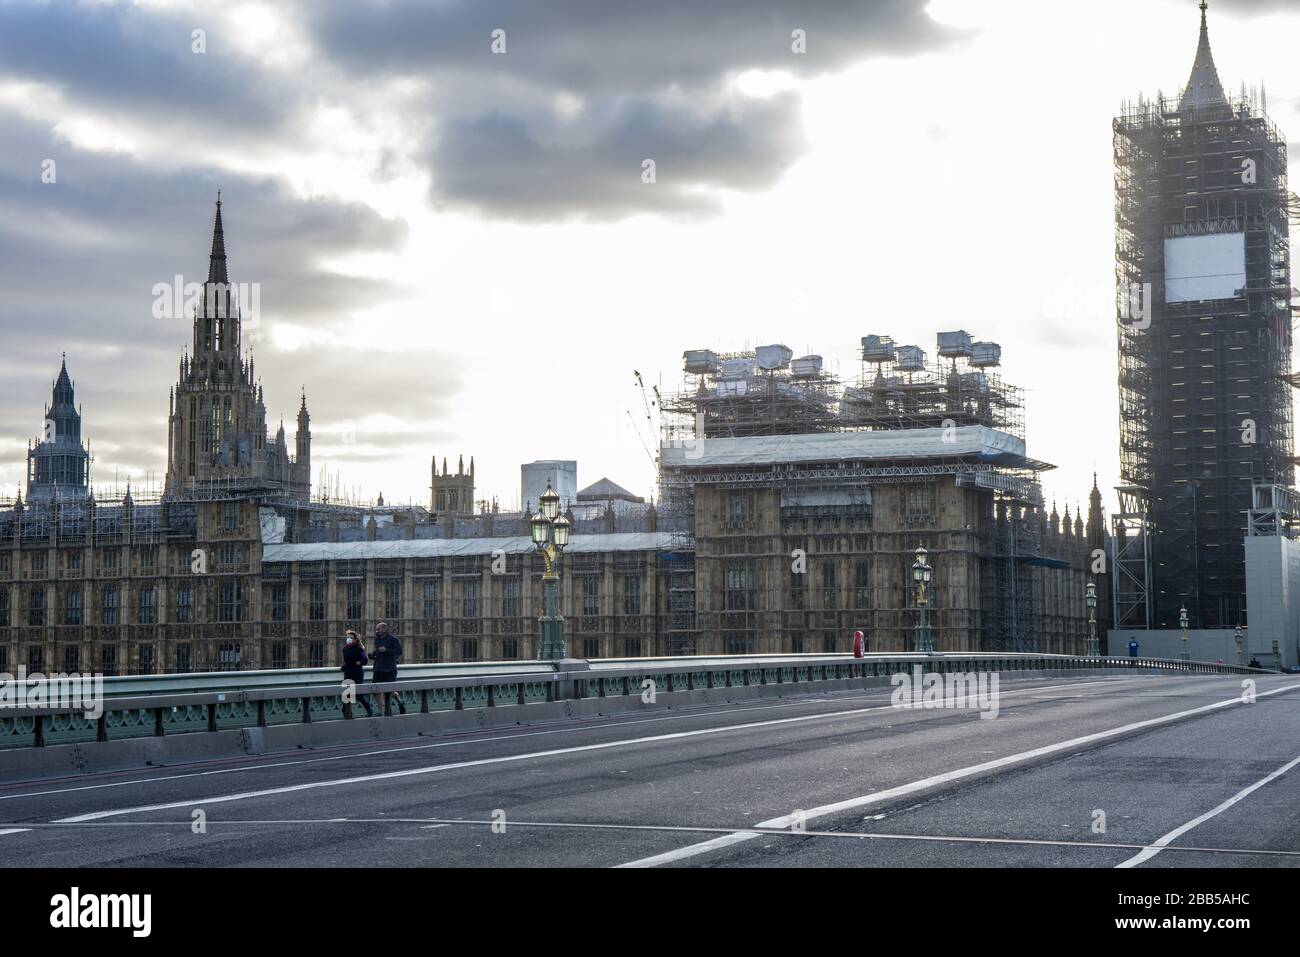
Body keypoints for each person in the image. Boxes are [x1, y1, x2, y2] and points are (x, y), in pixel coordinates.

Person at [370, 621, 407, 715]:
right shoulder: (377, 640)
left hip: (389, 669)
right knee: (376, 690)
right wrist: (373, 655)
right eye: (376, 629)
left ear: (385, 629)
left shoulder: (392, 639)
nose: (377, 631)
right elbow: (378, 651)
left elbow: (399, 651)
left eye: (378, 629)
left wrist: (386, 650)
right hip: (378, 668)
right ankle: (380, 710)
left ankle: (399, 701)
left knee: (389, 690)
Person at [341, 630, 373, 717]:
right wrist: (344, 665)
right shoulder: (345, 649)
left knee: (358, 694)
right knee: (347, 693)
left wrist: (358, 663)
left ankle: (368, 709)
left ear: (355, 639)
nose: (349, 639)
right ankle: (346, 712)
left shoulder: (359, 648)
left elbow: (365, 660)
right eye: (348, 637)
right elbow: (346, 660)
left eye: (351, 638)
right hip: (348, 672)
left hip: (357, 673)